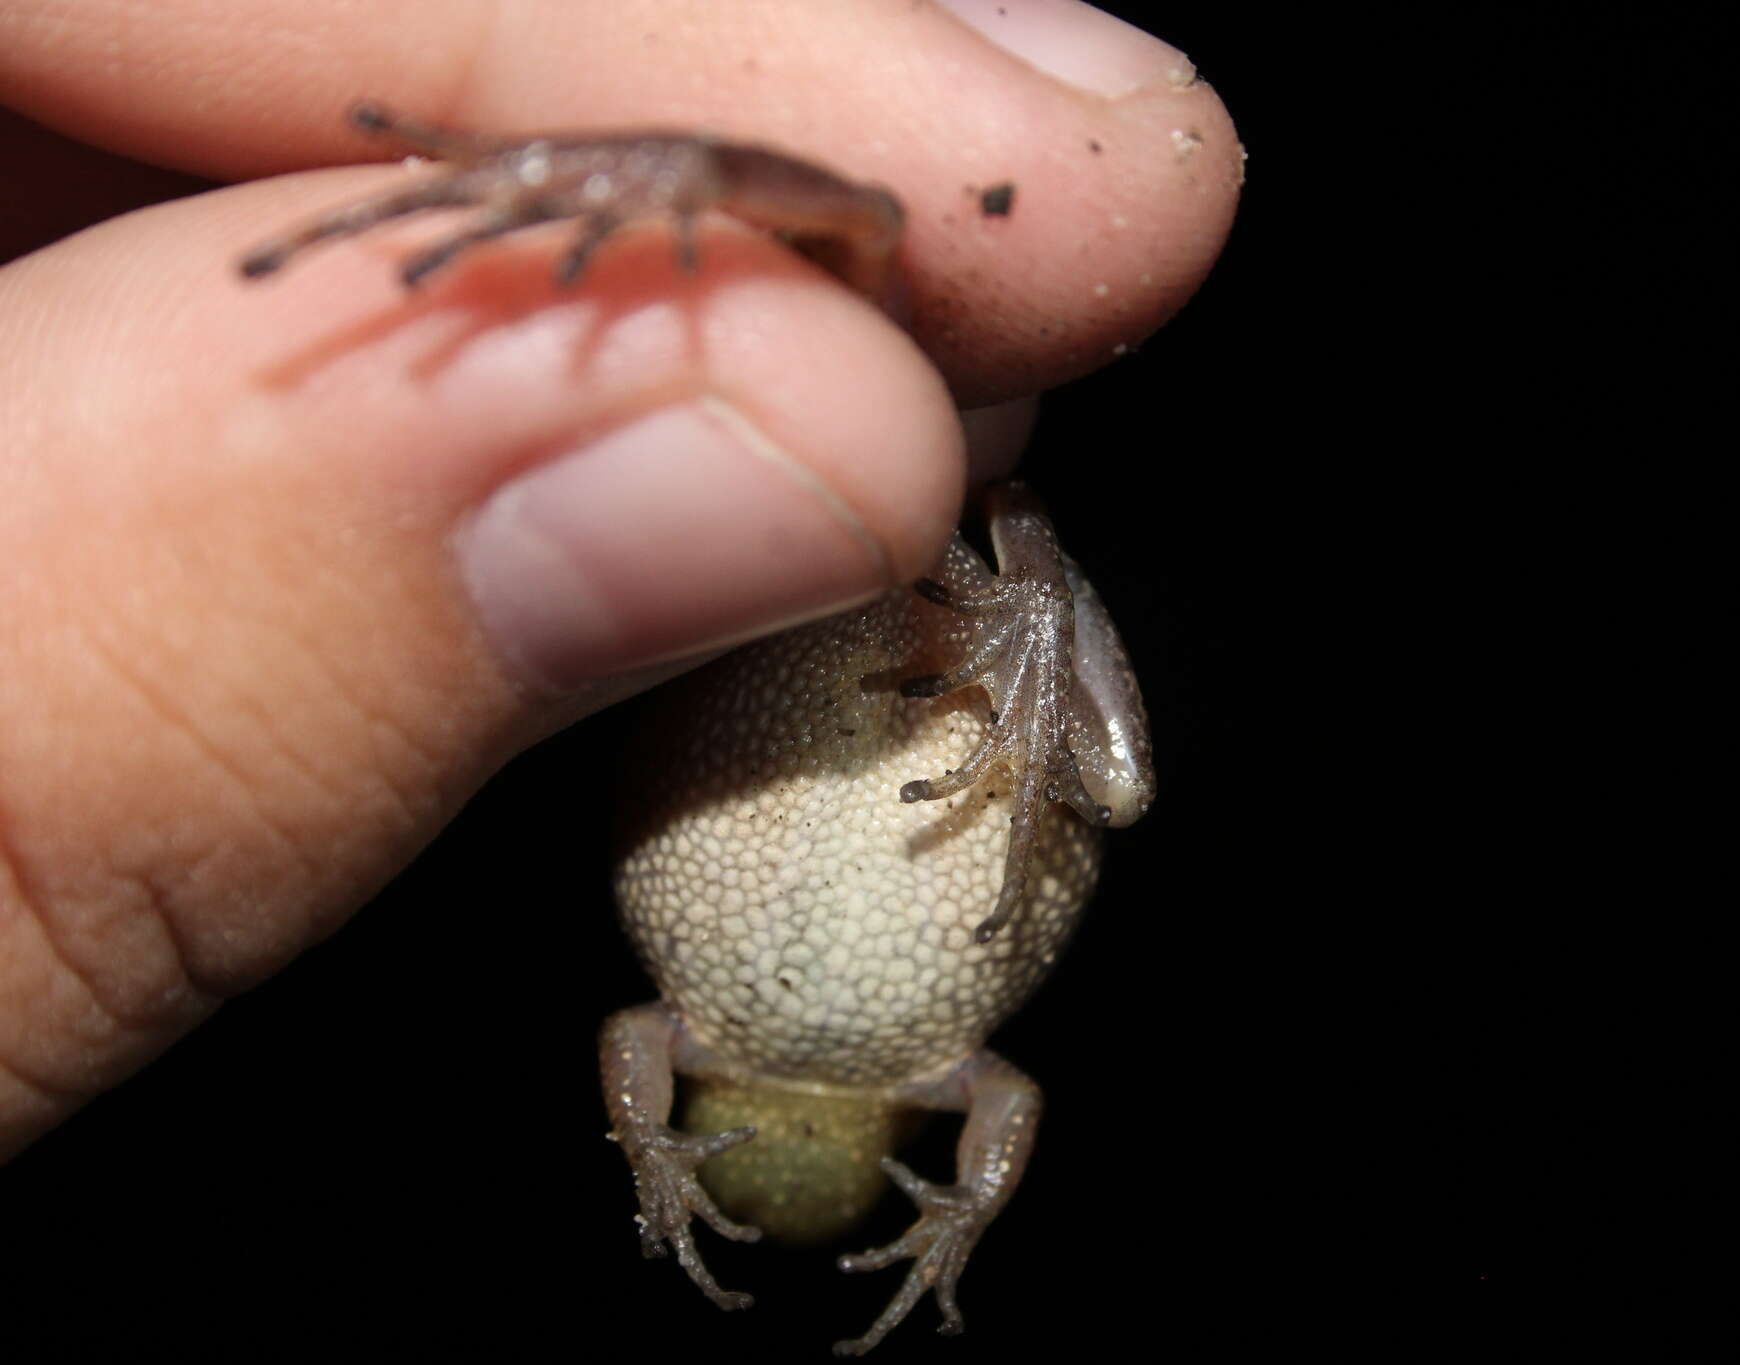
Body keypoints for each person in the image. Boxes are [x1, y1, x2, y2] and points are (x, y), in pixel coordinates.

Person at [0, 0, 1241, 1160]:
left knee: (840, 340)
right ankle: (1019, 600)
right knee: (860, 359)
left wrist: (654, 1154)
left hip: (783, 626)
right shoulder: (929, 1068)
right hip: (944, 619)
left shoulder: (770, 1047)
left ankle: (635, 180)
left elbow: (633, 1040)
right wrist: (1026, 611)